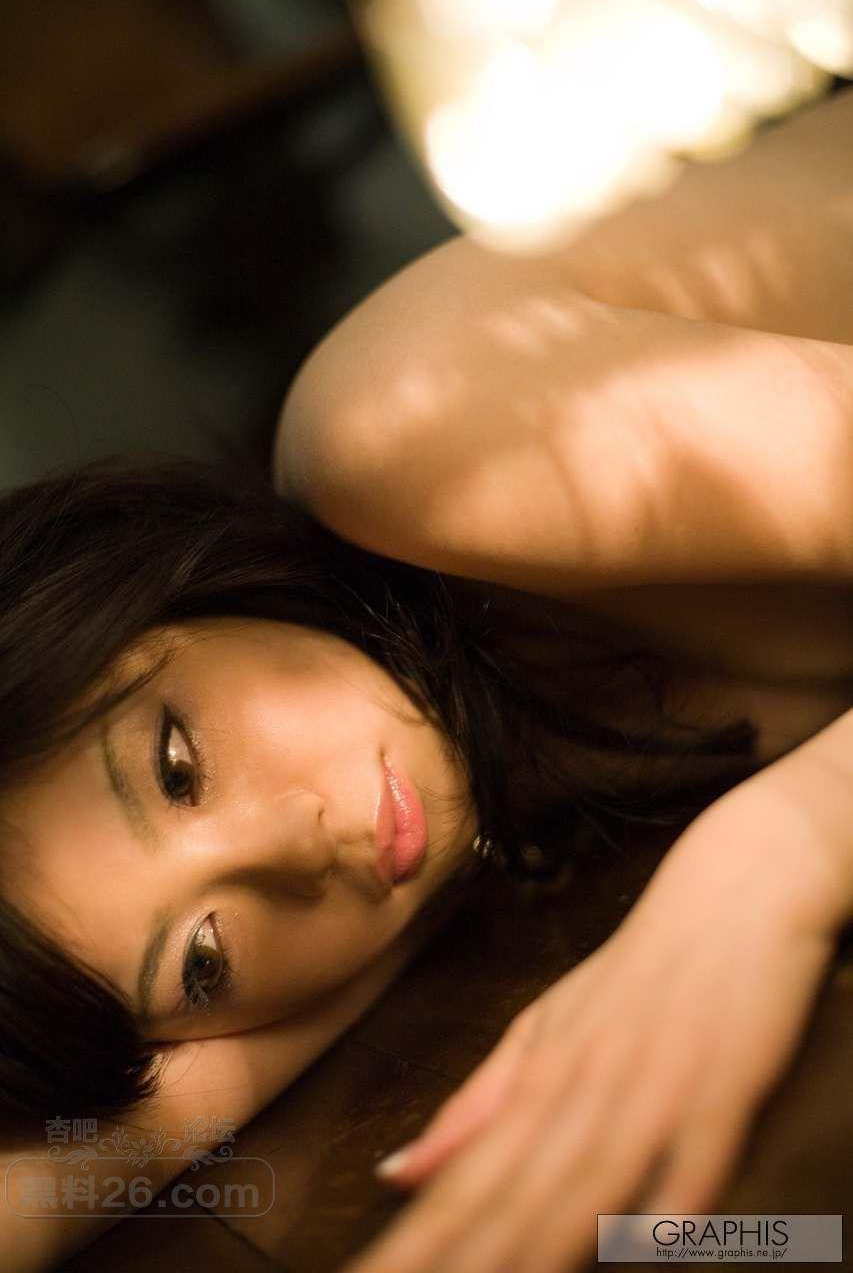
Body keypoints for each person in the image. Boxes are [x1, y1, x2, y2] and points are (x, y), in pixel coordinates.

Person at [3, 83, 853, 1273]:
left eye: (177, 763)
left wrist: (774, 859)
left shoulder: (406, 443)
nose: (297, 844)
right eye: (202, 956)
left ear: (150, 599)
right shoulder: (480, 785)